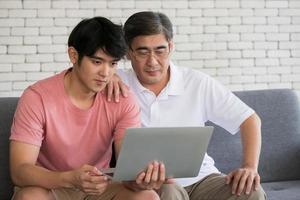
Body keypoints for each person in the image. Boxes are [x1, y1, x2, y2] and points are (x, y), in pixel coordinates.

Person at [111, 11, 267, 200]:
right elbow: (80, 78)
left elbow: (249, 119)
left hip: (203, 179)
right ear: (129, 52)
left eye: (160, 51)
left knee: (251, 191)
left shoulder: (197, 83)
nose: (152, 62)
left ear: (170, 47)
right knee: (169, 190)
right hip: (154, 184)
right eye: (143, 52)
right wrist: (108, 75)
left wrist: (249, 167)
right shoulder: (117, 82)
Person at [9, 16, 165, 200]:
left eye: (112, 63)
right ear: (74, 56)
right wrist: (69, 178)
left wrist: (141, 180)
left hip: (101, 187)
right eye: (97, 62)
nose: (106, 73)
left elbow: (127, 167)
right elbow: (19, 171)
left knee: (148, 197)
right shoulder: (37, 97)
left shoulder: (122, 98)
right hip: (51, 185)